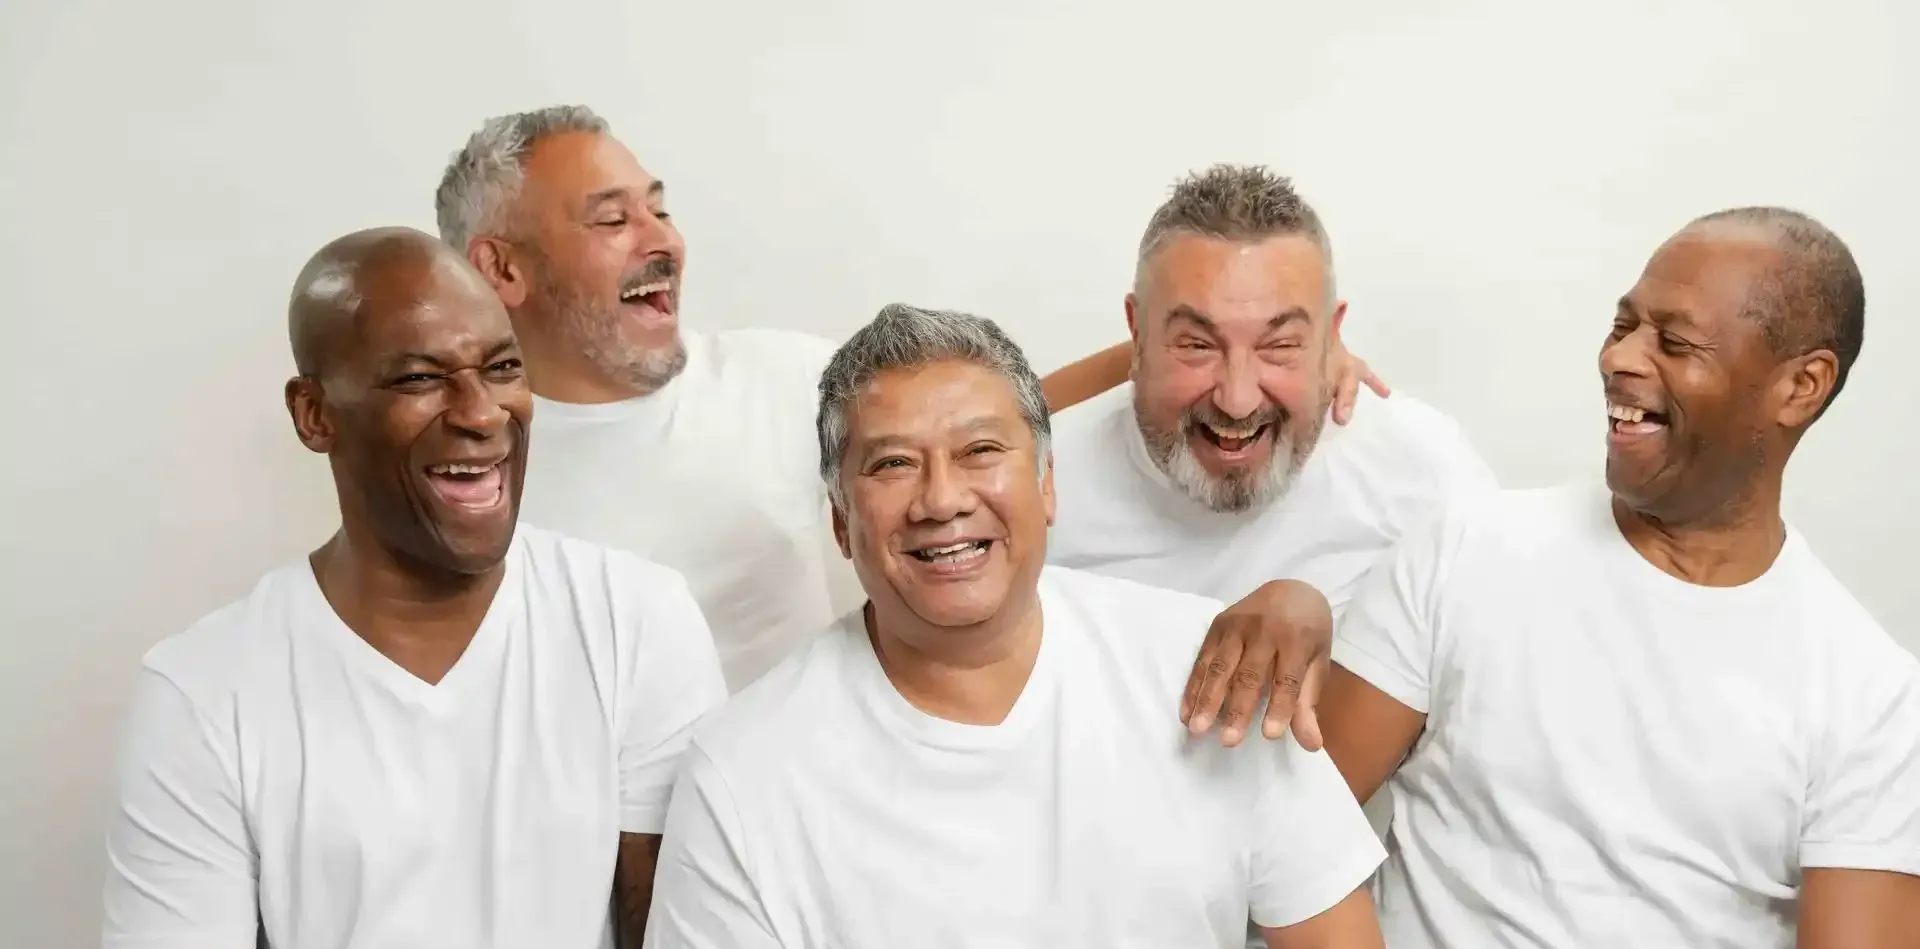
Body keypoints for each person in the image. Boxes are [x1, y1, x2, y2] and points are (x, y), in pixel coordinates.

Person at [631, 303, 1399, 949]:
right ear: (839, 519)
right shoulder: (746, 766)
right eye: (892, 463)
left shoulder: (1199, 661)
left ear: (1045, 487)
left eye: (980, 451)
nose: (942, 498)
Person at [99, 227, 728, 949]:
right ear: (315, 414)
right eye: (420, 378)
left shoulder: (637, 621)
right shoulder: (204, 686)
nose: (480, 414)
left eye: (501, 369)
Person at [1318, 209, 1920, 949]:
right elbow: (1277, 824)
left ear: (1799, 385)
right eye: (1622, 323)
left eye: (1673, 343)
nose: (1620, 359)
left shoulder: (1866, 686)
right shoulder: (1473, 550)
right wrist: (1291, 607)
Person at [433, 108, 1383, 692]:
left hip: (823, 820)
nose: (663, 238)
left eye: (660, 206)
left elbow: (996, 420)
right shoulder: (468, 472)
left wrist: (1247, 359)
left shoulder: (777, 379)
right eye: (613, 218)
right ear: (500, 267)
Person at [1045, 164, 1497, 949]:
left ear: (1334, 337)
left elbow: (1491, 729)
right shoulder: (1036, 479)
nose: (1239, 397)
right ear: (1134, 331)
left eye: (1280, 346)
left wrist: (1318, 626)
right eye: (1196, 344)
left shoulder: (1421, 471)